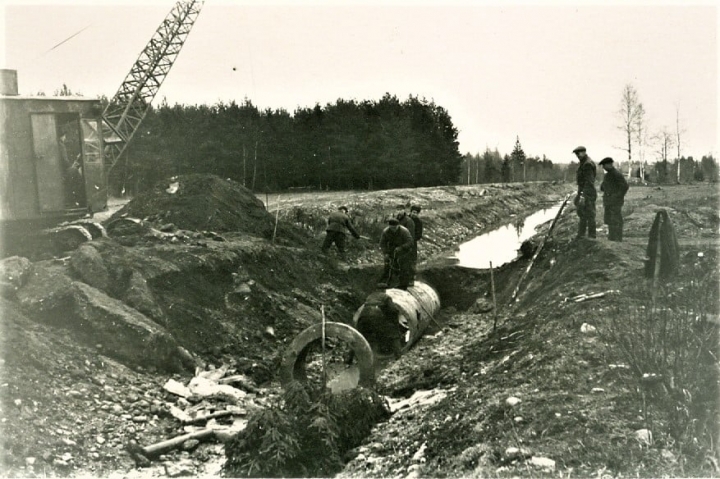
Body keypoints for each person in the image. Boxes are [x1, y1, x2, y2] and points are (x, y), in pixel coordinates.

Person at [378, 217, 414, 290]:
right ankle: (387, 281)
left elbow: (410, 242)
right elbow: (382, 243)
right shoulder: (386, 231)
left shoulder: (404, 231)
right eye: (391, 228)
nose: (393, 230)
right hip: (393, 249)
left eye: (395, 228)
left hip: (404, 250)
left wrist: (401, 248)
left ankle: (404, 284)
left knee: (404, 266)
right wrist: (386, 253)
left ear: (398, 226)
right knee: (389, 264)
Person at [599, 157, 629, 242]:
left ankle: (617, 239)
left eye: (604, 165)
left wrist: (616, 196)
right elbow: (603, 187)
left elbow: (625, 187)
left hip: (615, 201)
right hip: (609, 201)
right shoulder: (608, 175)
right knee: (610, 220)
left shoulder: (616, 174)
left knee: (616, 219)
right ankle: (612, 238)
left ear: (609, 165)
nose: (603, 168)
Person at [572, 146, 597, 239]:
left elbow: (589, 182)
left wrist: (583, 196)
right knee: (582, 212)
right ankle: (581, 234)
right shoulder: (583, 163)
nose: (577, 156)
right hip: (583, 191)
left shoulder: (587, 164)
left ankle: (592, 235)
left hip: (588, 192)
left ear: (584, 152)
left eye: (578, 153)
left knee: (590, 214)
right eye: (576, 154)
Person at [58, 132, 83, 207]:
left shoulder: (57, 144)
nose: (65, 138)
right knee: (76, 175)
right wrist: (71, 166)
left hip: (60, 171)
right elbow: (64, 160)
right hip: (63, 172)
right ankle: (77, 200)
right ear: (62, 136)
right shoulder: (61, 145)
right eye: (65, 136)